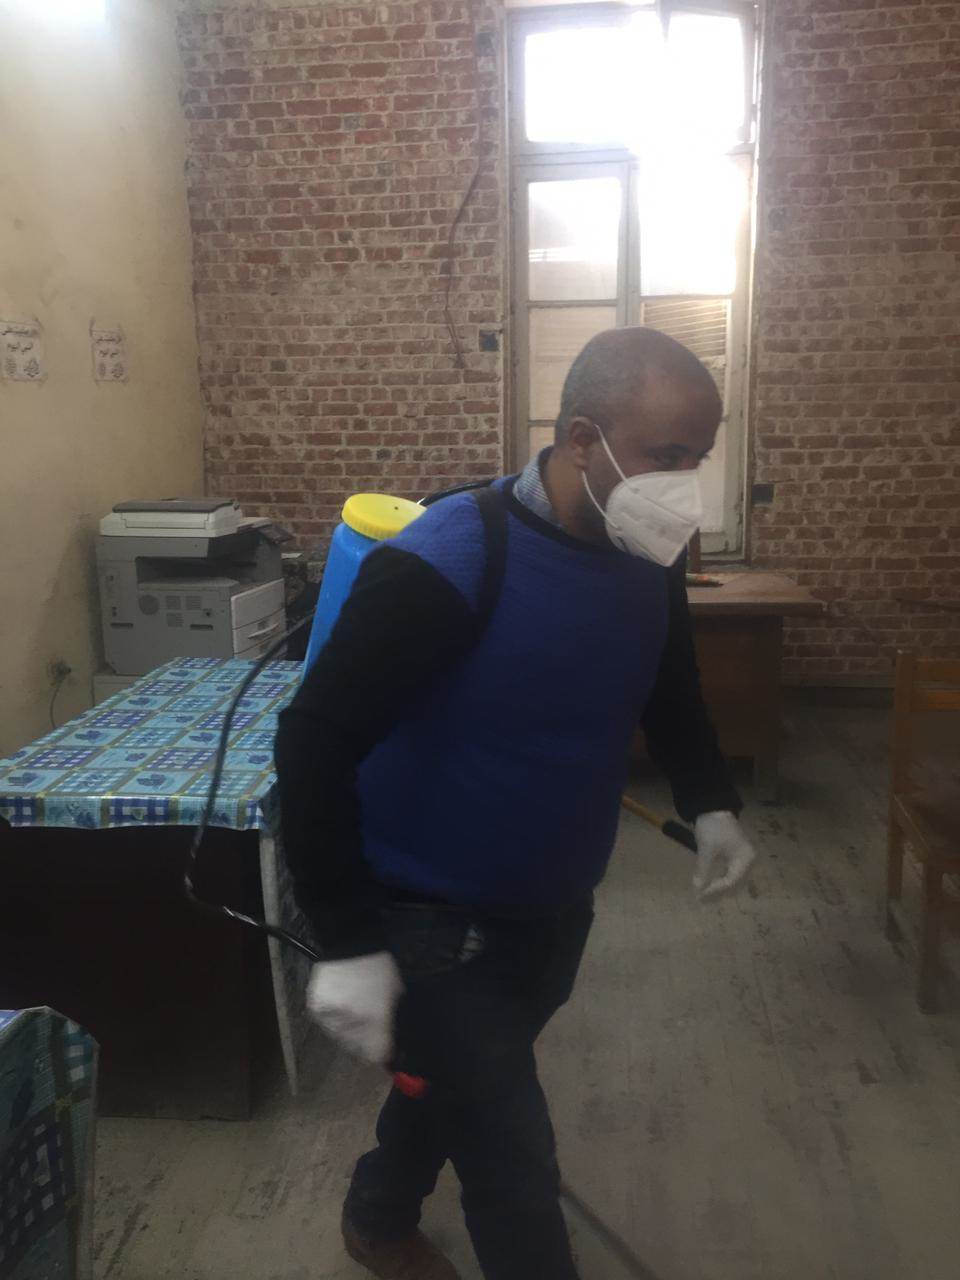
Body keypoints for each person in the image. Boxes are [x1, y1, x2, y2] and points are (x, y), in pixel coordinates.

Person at [274, 327, 758, 1280]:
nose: (684, 486)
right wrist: (348, 940)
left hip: (554, 900)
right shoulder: (453, 557)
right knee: (513, 1159)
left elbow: (669, 681)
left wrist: (710, 801)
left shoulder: (647, 546)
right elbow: (313, 740)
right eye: (666, 455)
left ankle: (376, 1215)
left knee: (453, 1084)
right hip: (430, 916)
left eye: (698, 459)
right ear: (581, 437)